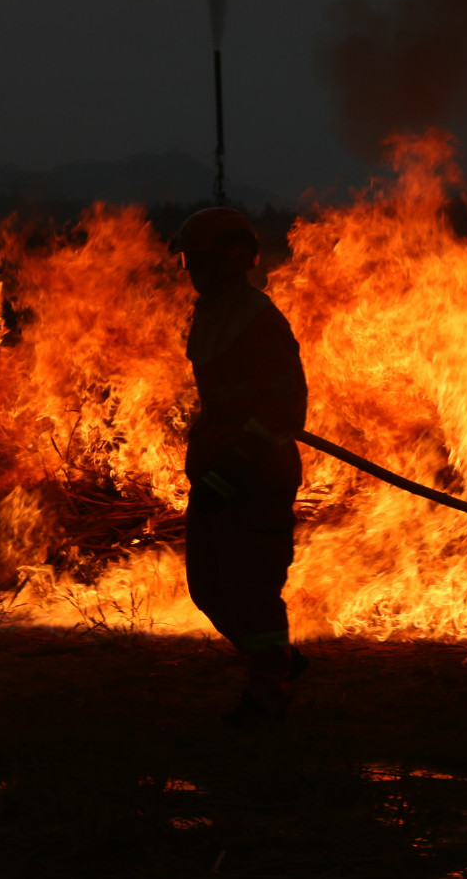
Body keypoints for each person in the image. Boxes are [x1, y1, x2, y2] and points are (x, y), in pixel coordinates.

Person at [169, 207, 309, 727]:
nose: (190, 271)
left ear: (230, 260)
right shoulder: (214, 314)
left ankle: (268, 694)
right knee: (209, 588)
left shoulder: (258, 320)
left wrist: (232, 469)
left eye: (198, 260)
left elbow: (283, 410)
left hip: (257, 474)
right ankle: (276, 661)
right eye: (188, 260)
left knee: (252, 589)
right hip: (215, 469)